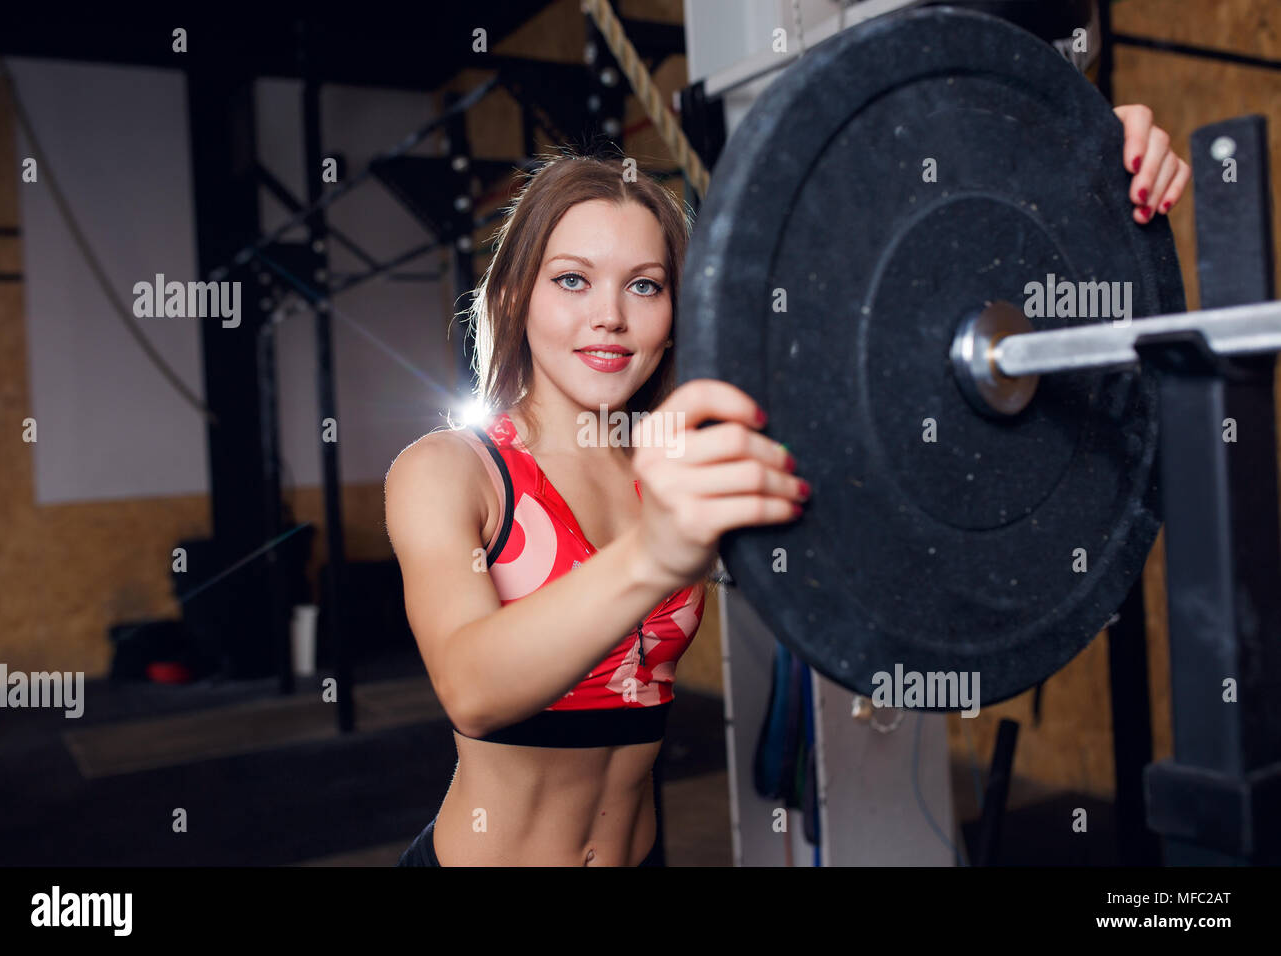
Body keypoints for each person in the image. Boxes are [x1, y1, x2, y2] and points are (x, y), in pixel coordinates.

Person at [387, 105, 1187, 867]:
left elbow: (897, 364)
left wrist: (1078, 170)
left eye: (644, 285)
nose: (610, 317)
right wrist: (653, 557)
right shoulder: (450, 470)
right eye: (572, 280)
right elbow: (474, 689)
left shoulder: (681, 457)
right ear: (517, 293)